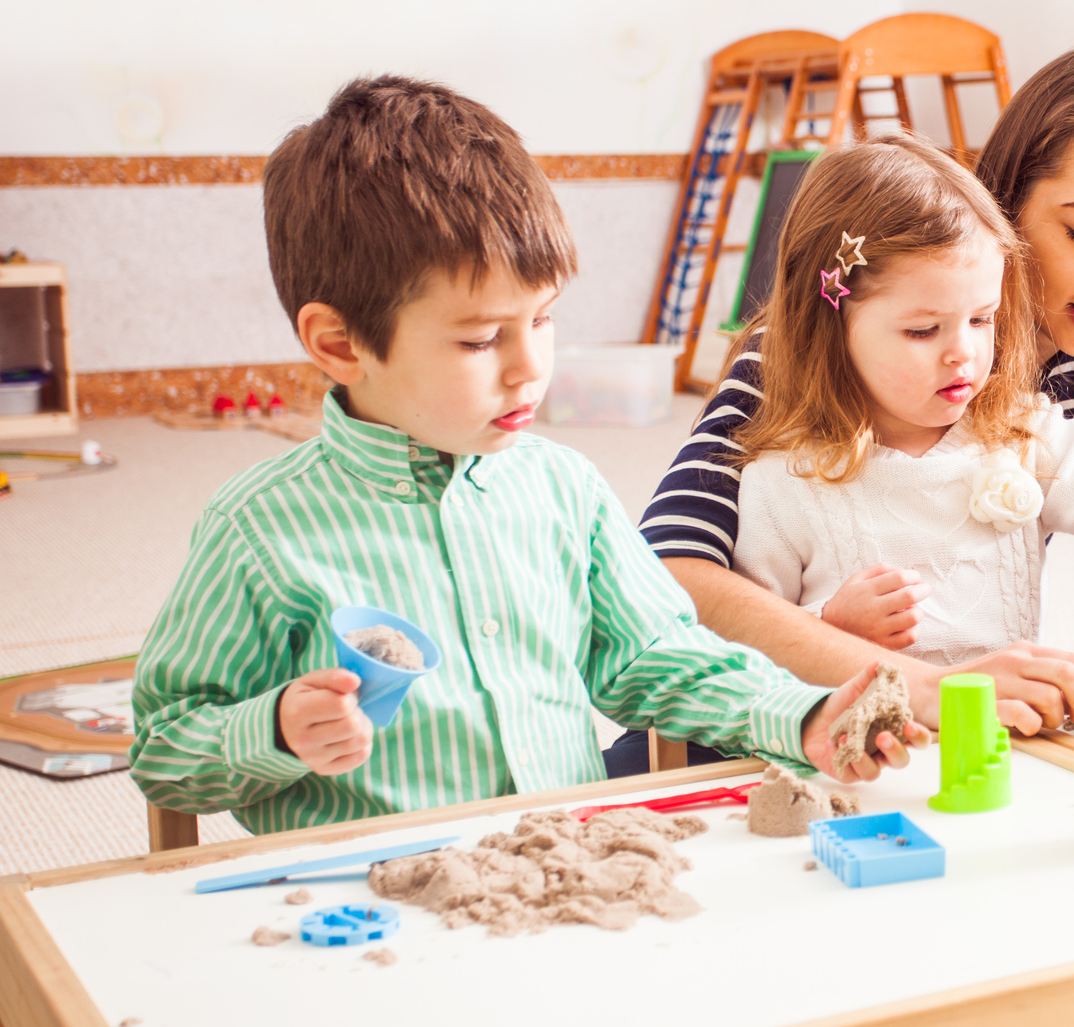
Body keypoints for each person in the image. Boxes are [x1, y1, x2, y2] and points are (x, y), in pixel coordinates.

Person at [130, 76, 918, 834]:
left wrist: (802, 715)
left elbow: (659, 656)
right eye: (479, 339)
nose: (529, 367)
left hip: (557, 861)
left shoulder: (562, 489)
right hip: (370, 903)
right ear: (339, 344)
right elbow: (165, 749)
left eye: (542, 320)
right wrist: (272, 729)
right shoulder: (258, 528)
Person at [723, 129, 1074, 1027]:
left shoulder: (1022, 434)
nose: (964, 355)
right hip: (871, 803)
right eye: (922, 327)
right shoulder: (787, 477)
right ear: (833, 318)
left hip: (1016, 791)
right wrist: (841, 637)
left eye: (987, 320)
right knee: (830, 1026)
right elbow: (745, 669)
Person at [625, 46, 1074, 780]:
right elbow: (672, 580)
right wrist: (907, 681)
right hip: (774, 741)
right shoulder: (804, 366)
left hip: (969, 754)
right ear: (1000, 211)